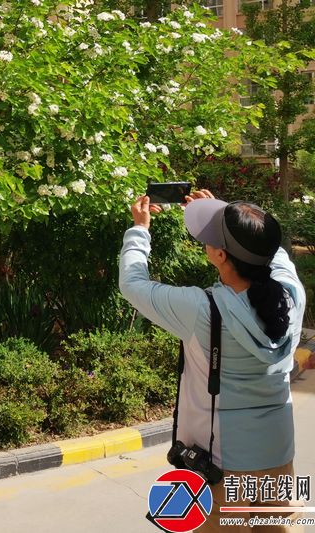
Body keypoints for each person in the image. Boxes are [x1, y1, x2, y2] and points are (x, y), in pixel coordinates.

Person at [120, 190, 305, 533]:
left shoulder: (200, 309)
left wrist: (139, 229)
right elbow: (270, 249)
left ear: (220, 255)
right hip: (278, 453)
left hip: (222, 461)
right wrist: (230, 216)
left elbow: (132, 284)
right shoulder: (291, 295)